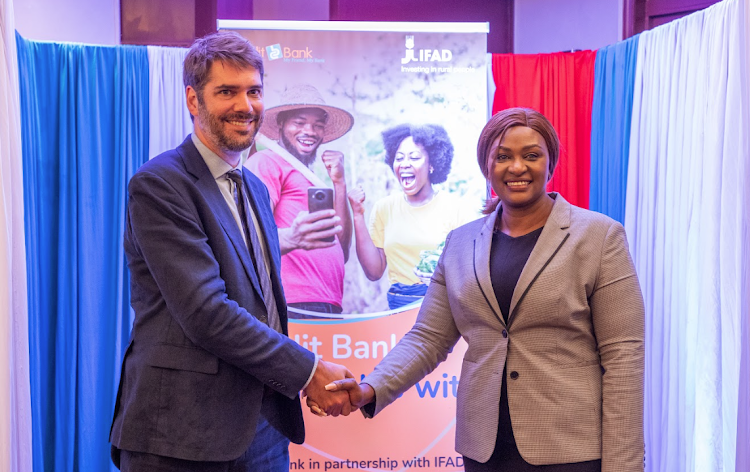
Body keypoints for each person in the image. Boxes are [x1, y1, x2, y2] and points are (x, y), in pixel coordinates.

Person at [326, 108, 646, 471]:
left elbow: (624, 359)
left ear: (550, 161)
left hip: (570, 449)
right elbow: (428, 338)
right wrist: (370, 388)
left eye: (531, 155)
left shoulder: (599, 237)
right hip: (485, 451)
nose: (517, 167)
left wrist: (624, 465)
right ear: (486, 166)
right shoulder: (460, 243)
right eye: (503, 156)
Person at [109, 31, 354, 472]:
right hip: (182, 434)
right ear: (192, 99)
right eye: (227, 91)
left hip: (263, 424)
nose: (245, 105)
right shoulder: (160, 185)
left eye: (254, 91)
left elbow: (259, 300)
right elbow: (206, 312)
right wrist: (308, 370)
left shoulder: (256, 188)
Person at [246, 84, 354, 317]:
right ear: (282, 124)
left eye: (318, 125)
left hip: (326, 301)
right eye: (300, 122)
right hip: (292, 302)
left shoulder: (313, 180)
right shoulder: (267, 162)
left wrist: (339, 184)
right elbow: (248, 235)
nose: (310, 131)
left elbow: (342, 251)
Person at [347, 124, 472, 310]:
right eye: (399, 158)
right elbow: (373, 272)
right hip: (398, 305)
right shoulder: (384, 208)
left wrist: (443, 277)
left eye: (414, 157)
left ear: (431, 164)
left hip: (441, 305)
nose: (405, 163)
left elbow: (469, 271)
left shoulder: (456, 208)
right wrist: (357, 214)